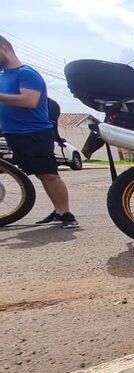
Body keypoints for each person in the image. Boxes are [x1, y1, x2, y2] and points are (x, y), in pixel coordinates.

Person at [0, 35, 78, 228]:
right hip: (13, 132)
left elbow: (29, 100)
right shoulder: (3, 76)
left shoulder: (26, 73)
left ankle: (66, 214)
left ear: (3, 49)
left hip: (34, 133)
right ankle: (59, 211)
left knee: (49, 174)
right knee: (39, 174)